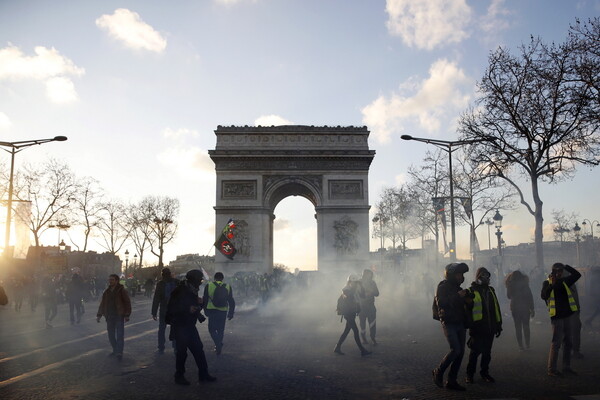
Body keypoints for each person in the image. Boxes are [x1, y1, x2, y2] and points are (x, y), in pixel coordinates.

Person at [166, 269, 216, 385]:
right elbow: (171, 309)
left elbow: (193, 307)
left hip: (189, 325)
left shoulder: (192, 290)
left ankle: (203, 374)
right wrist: (188, 309)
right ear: (194, 280)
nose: (200, 282)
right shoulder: (179, 291)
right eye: (199, 280)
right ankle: (179, 376)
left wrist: (200, 304)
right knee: (182, 352)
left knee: (198, 349)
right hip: (180, 326)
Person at [432, 262, 473, 391]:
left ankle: (452, 380)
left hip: (460, 322)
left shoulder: (458, 288)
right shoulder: (442, 287)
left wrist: (469, 301)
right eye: (458, 274)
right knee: (455, 349)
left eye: (461, 274)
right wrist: (458, 296)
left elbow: (465, 306)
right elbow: (442, 303)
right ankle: (438, 372)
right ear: (450, 275)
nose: (460, 277)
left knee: (460, 353)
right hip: (449, 322)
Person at [541, 263, 581, 377]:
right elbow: (544, 296)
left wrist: (566, 266)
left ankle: (566, 367)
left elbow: (577, 274)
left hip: (567, 315)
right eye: (557, 271)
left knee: (568, 342)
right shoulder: (547, 283)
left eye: (560, 271)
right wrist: (551, 285)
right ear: (552, 272)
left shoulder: (565, 281)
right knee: (556, 343)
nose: (559, 273)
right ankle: (551, 369)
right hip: (557, 317)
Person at [465, 267, 502, 384]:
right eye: (483, 276)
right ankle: (469, 375)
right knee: (474, 353)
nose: (486, 278)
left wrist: (498, 324)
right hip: (477, 328)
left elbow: (496, 308)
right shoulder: (471, 291)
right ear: (478, 277)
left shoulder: (491, 290)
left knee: (487, 353)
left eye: (487, 276)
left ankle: (484, 373)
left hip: (490, 327)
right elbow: (467, 310)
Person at [96, 274, 132, 361]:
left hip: (119, 315)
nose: (110, 281)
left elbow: (127, 302)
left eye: (112, 280)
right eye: (109, 280)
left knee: (120, 335)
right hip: (109, 316)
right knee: (111, 335)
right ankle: (115, 349)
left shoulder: (122, 290)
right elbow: (102, 304)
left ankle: (119, 352)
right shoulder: (107, 291)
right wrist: (99, 315)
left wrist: (127, 314)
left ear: (116, 281)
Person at [334, 274, 371, 357]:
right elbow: (349, 297)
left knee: (346, 331)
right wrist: (355, 287)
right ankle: (362, 350)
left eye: (356, 282)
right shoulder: (346, 290)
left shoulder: (354, 289)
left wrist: (361, 286)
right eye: (354, 282)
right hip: (348, 313)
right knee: (356, 331)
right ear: (349, 282)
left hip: (352, 313)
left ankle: (337, 347)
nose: (355, 284)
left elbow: (363, 296)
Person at [203, 272, 235, 355]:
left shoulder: (209, 285)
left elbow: (205, 299)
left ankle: (217, 343)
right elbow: (231, 301)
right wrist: (231, 313)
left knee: (212, 329)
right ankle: (218, 344)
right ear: (222, 278)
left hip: (212, 310)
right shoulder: (228, 286)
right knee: (221, 330)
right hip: (223, 311)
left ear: (215, 278)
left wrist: (205, 310)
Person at [505, 270, 534, 350]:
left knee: (518, 327)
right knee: (526, 326)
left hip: (515, 307)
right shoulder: (525, 284)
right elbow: (530, 297)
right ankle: (527, 344)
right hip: (525, 307)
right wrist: (532, 309)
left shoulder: (510, 284)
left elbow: (508, 296)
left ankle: (520, 345)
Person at [152, 268, 179, 354]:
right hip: (175, 309)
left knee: (162, 328)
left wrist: (154, 312)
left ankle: (161, 347)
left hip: (164, 309)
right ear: (170, 274)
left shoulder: (160, 284)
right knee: (175, 328)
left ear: (162, 274)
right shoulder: (176, 282)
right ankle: (175, 346)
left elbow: (156, 298)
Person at [359, 268, 379, 346]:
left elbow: (377, 293)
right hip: (361, 307)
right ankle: (363, 338)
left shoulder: (372, 283)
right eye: (368, 275)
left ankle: (373, 338)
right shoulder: (359, 283)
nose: (369, 276)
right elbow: (355, 294)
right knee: (362, 324)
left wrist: (371, 292)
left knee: (372, 323)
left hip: (370, 306)